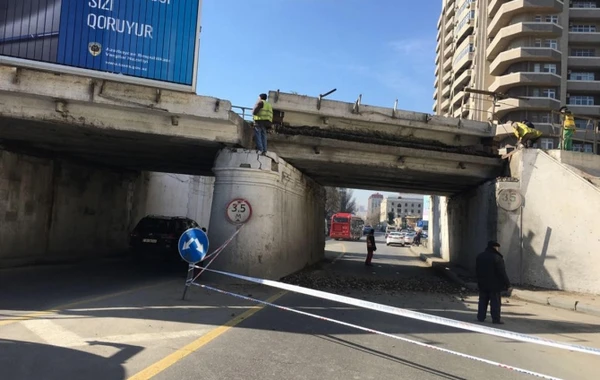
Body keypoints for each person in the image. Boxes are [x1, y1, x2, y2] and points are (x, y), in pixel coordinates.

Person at [476, 241, 512, 324]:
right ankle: (496, 319)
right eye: (497, 247)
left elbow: (477, 270)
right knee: (495, 302)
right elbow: (502, 272)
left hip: (482, 283)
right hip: (494, 285)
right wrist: (508, 285)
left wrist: (478, 281)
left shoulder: (480, 256)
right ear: (495, 247)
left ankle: (480, 317)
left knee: (482, 301)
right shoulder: (497, 258)